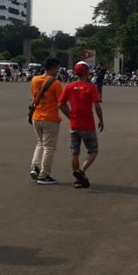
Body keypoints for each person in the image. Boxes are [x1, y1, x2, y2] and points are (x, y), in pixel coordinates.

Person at [58, 61, 104, 189]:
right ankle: (81, 171)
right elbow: (97, 106)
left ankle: (77, 181)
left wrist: (70, 116)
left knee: (74, 153)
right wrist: (101, 120)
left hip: (74, 124)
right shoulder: (90, 87)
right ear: (87, 72)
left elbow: (61, 104)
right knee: (93, 150)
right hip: (88, 124)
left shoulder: (69, 86)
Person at [29, 58, 64, 185]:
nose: (58, 71)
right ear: (53, 68)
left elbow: (33, 97)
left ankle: (35, 166)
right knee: (49, 148)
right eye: (57, 68)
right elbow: (62, 103)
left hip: (36, 117)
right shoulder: (55, 83)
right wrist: (72, 116)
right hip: (50, 118)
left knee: (40, 143)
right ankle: (44, 175)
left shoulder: (34, 80)